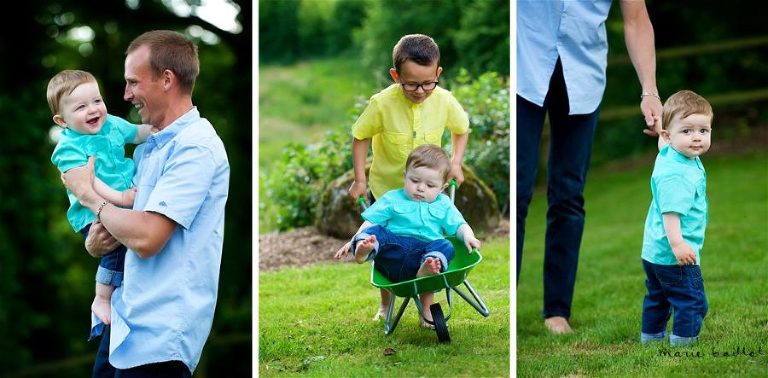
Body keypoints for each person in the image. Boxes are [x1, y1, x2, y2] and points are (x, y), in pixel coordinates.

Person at [62, 30, 230, 377]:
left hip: (159, 338)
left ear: (166, 79)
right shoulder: (150, 148)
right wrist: (96, 244)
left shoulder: (195, 147)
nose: (126, 95)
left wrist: (90, 197)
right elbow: (125, 227)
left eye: (133, 82)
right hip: (124, 324)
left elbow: (148, 238)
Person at [516, 0, 663, 334]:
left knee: (568, 193)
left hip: (582, 72)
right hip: (526, 64)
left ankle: (557, 311)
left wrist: (649, 91)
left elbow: (636, 19)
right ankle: (510, 303)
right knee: (520, 190)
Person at [348, 33, 470, 320]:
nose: (420, 90)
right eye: (411, 83)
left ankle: (427, 304)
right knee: (385, 245)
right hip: (388, 188)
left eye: (428, 82)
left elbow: (461, 129)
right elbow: (359, 136)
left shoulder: (444, 100)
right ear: (395, 75)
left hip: (429, 191)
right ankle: (385, 301)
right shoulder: (382, 104)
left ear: (438, 73)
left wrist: (456, 162)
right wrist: (360, 179)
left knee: (430, 242)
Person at [47, 69, 152, 335]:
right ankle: (101, 299)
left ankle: (121, 302)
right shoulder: (69, 147)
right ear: (62, 121)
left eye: (97, 101)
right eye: (81, 107)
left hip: (123, 203)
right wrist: (120, 198)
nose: (93, 110)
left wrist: (157, 130)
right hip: (92, 214)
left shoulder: (112, 125)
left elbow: (137, 133)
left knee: (129, 251)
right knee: (114, 250)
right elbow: (87, 185)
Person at [336, 144, 481, 327]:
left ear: (442, 187)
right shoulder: (392, 198)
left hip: (423, 256)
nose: (420, 188)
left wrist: (468, 235)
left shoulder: (443, 204)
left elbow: (459, 224)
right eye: (414, 180)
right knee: (375, 232)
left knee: (445, 246)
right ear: (405, 176)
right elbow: (371, 221)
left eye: (430, 185)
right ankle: (364, 251)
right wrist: (354, 239)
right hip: (393, 253)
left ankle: (426, 282)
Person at [640, 90, 712, 346]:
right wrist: (679, 245)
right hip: (674, 254)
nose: (696, 138)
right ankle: (683, 342)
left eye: (703, 131)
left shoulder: (669, 153)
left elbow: (662, 140)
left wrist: (661, 124)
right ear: (671, 136)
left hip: (653, 251)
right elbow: (671, 214)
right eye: (687, 131)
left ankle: (650, 338)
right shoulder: (678, 175)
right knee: (691, 300)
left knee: (658, 297)